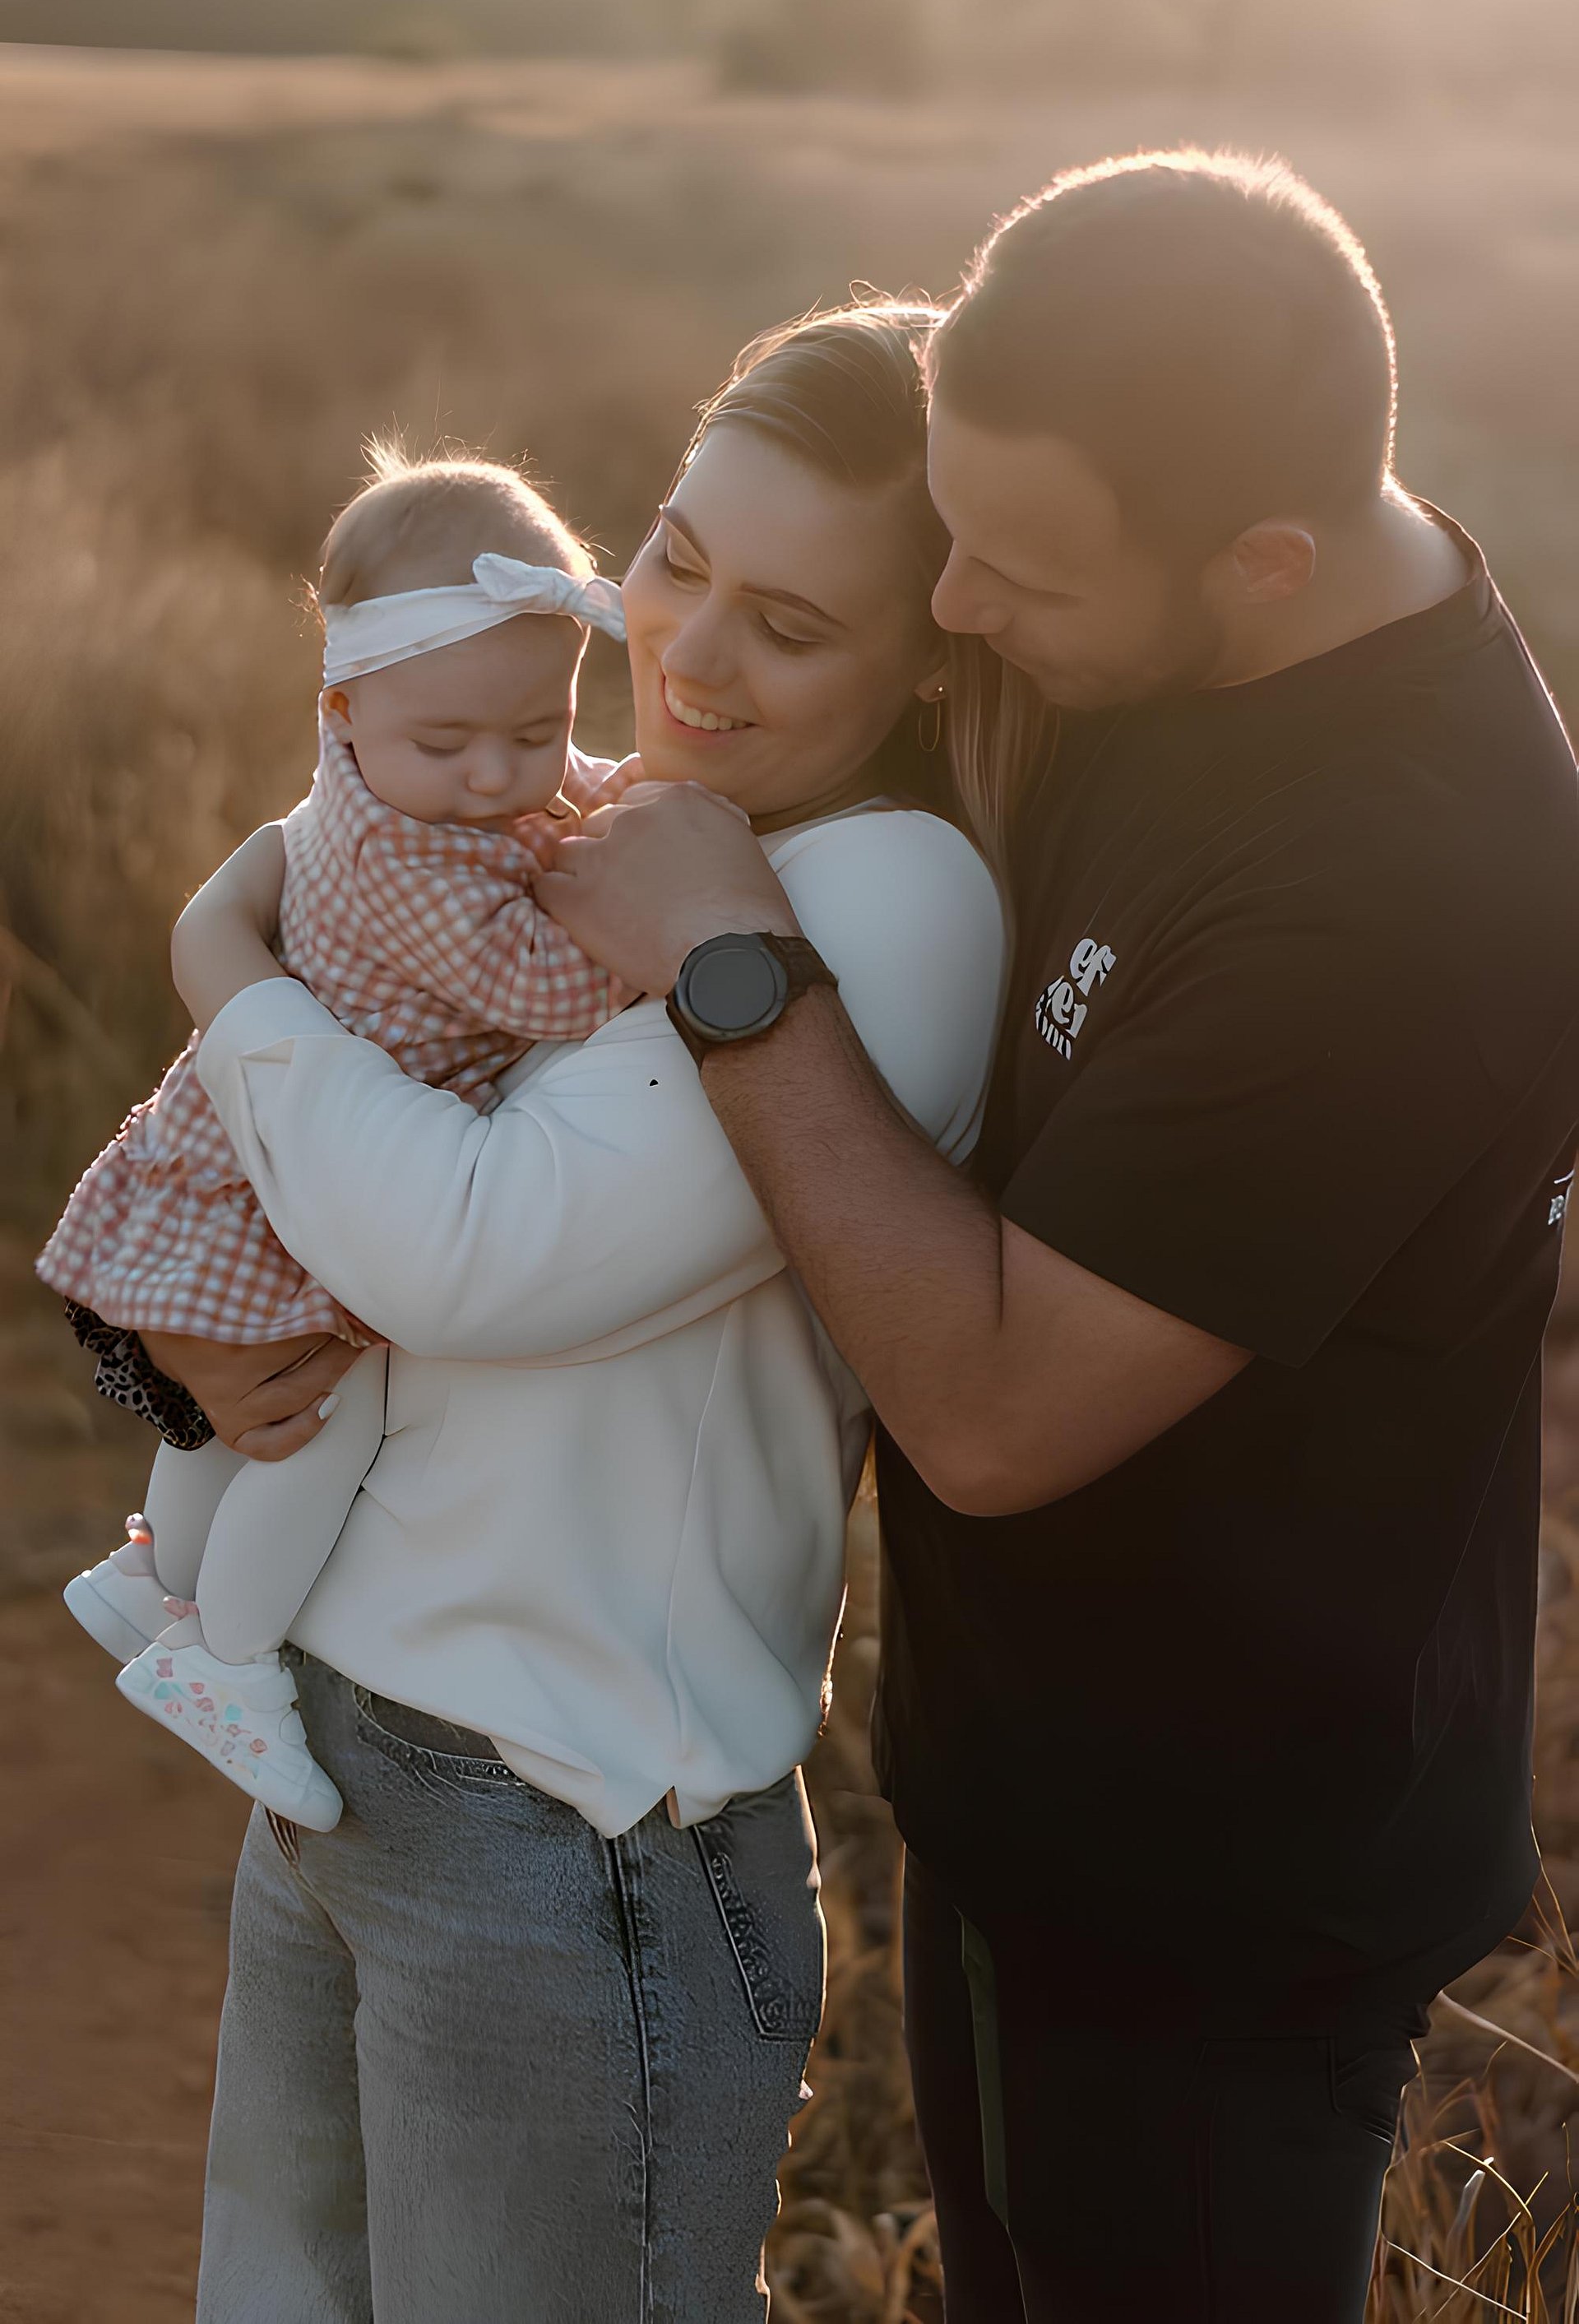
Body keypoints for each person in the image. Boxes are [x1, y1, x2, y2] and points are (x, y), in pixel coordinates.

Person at [529, 152, 1579, 2321]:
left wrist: (734, 964)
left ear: (1263, 563)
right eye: (953, 535)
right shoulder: (1145, 573)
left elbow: (1000, 1415)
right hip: (1024, 1796)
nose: (967, 613)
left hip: (1226, 1892)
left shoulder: (1411, 894)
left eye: (1016, 575)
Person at [127, 304, 1011, 2321]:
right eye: (679, 556)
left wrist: (220, 965)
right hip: (346, 1749)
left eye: (793, 625)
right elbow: (347, 1033)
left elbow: (461, 1251)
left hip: (570, 1827)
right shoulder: (599, 808)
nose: (691, 651)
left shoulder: (882, 900)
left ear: (928, 657)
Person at [38, 448, 635, 1830]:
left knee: (241, 1404)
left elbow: (520, 752)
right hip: (294, 1179)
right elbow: (552, 989)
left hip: (261, 1154)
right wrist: (665, 929)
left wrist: (603, 782)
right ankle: (228, 1662)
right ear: (346, 710)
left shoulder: (378, 767)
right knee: (318, 1413)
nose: (501, 778)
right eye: (452, 745)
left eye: (539, 731)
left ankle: (153, 1579)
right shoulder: (404, 864)